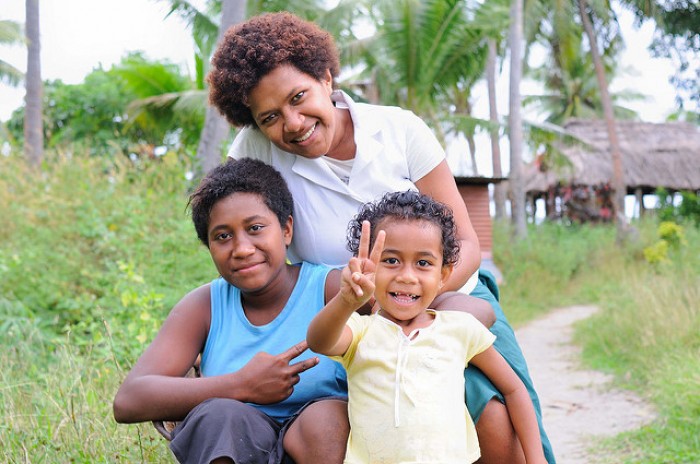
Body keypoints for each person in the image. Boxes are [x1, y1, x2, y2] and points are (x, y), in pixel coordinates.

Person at [208, 11, 555, 463]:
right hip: (350, 319)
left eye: (299, 97)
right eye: (271, 116)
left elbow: (467, 246)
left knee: (495, 405)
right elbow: (240, 237)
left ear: (326, 78)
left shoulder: (399, 130)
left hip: (448, 298)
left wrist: (418, 303)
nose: (292, 123)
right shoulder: (254, 150)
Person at [113, 158, 350, 464]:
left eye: (255, 228)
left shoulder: (332, 289)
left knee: (326, 418)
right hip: (234, 448)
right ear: (209, 246)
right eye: (223, 236)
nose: (241, 248)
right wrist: (242, 385)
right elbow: (129, 399)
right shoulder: (204, 306)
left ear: (286, 229)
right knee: (218, 415)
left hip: (318, 448)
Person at [307, 191, 547, 463]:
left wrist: (536, 459)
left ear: (443, 275)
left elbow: (514, 389)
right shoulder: (360, 332)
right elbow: (319, 341)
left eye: (423, 263)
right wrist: (346, 301)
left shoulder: (460, 329)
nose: (406, 276)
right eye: (391, 260)